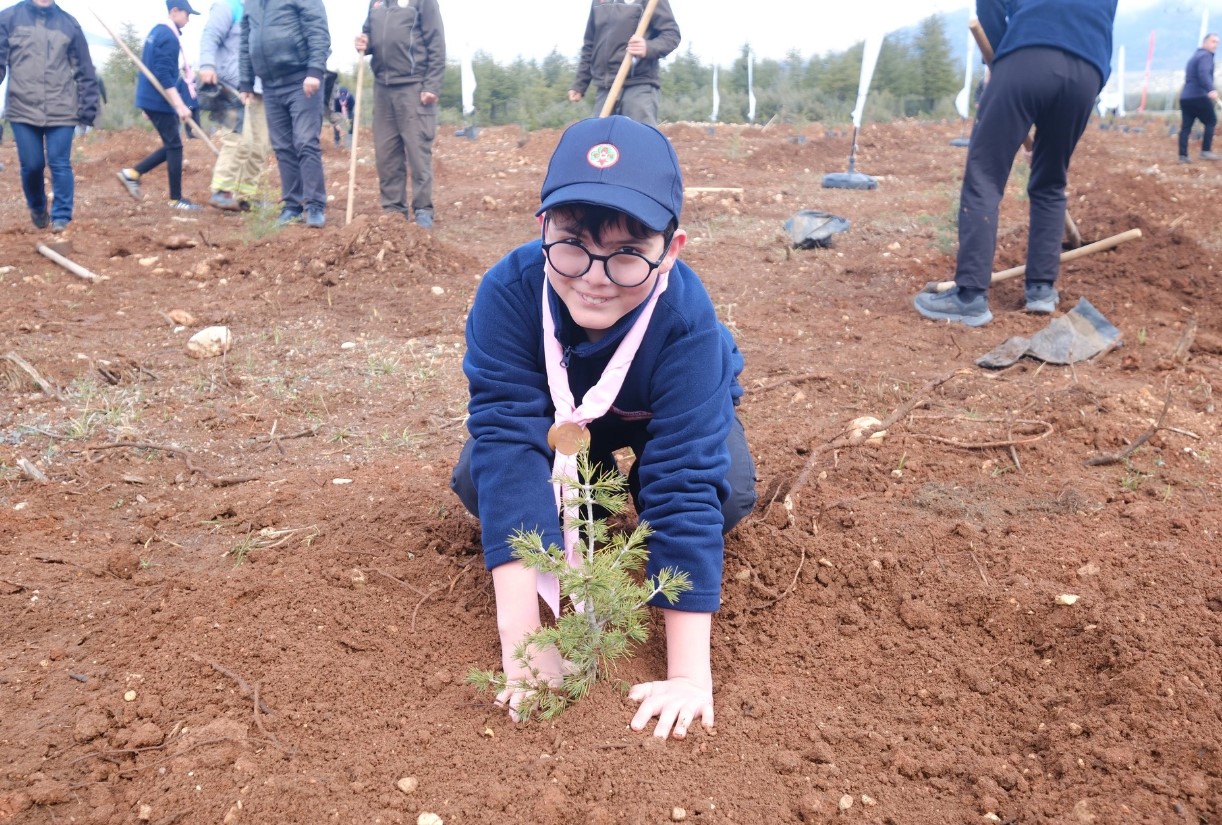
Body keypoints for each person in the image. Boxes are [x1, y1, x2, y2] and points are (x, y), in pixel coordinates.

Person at [450, 116, 757, 738]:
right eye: (572, 245)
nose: (594, 276)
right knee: (481, 482)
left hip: (658, 422)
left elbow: (686, 477)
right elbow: (509, 441)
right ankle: (579, 508)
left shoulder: (688, 324)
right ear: (542, 228)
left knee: (729, 491)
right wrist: (526, 644)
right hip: (563, 423)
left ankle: (630, 513)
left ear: (671, 248)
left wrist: (689, 676)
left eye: (627, 255)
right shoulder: (509, 293)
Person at [912, 0, 1118, 327]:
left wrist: (1000, 54)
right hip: (1087, 73)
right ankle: (1041, 290)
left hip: (1026, 55)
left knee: (985, 175)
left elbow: (990, 6)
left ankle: (969, 296)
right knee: (1050, 182)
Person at [0, 0, 99, 232]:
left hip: (62, 108)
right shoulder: (8, 19)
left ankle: (61, 217)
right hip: (22, 107)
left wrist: (88, 108)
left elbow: (85, 70)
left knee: (60, 163)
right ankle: (37, 206)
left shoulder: (69, 24)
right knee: (32, 165)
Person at [354, 0, 445, 229]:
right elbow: (369, 34)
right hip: (382, 88)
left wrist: (432, 84)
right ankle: (394, 211)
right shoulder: (375, 3)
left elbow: (436, 41)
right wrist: (364, 41)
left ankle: (423, 210)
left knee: (417, 152)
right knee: (386, 154)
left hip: (414, 87)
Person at [240, 0, 331, 228]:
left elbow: (318, 28)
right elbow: (245, 40)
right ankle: (292, 205)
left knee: (305, 141)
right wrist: (245, 81)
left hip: (301, 79)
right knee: (282, 146)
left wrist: (315, 70)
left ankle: (314, 206)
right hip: (270, 84)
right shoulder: (250, 3)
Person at [116, 0, 203, 211]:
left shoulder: (157, 31)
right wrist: (180, 104)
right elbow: (163, 74)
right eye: (187, 14)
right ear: (174, 12)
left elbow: (154, 68)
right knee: (175, 146)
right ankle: (176, 199)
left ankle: (133, 174)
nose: (188, 19)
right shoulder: (168, 36)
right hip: (159, 99)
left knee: (171, 145)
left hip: (153, 98)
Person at [197, 0, 271, 211]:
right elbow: (210, 35)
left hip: (259, 87)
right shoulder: (228, 6)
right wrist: (207, 64)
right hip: (231, 87)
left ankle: (248, 194)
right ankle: (222, 190)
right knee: (237, 140)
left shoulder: (260, 9)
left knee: (259, 144)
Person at [568, 0, 680, 127]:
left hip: (638, 87)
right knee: (603, 143)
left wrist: (648, 47)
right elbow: (590, 43)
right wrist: (580, 83)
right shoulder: (598, 2)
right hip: (605, 89)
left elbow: (671, 35)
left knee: (638, 141)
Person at [1178, 32, 1219, 164]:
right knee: (1211, 121)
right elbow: (1203, 74)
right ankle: (1205, 151)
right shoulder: (1205, 56)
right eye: (1213, 42)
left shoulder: (1194, 56)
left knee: (1186, 127)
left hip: (1185, 97)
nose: (1216, 45)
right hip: (1198, 96)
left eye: (1217, 42)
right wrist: (1210, 89)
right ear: (1204, 43)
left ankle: (1183, 156)